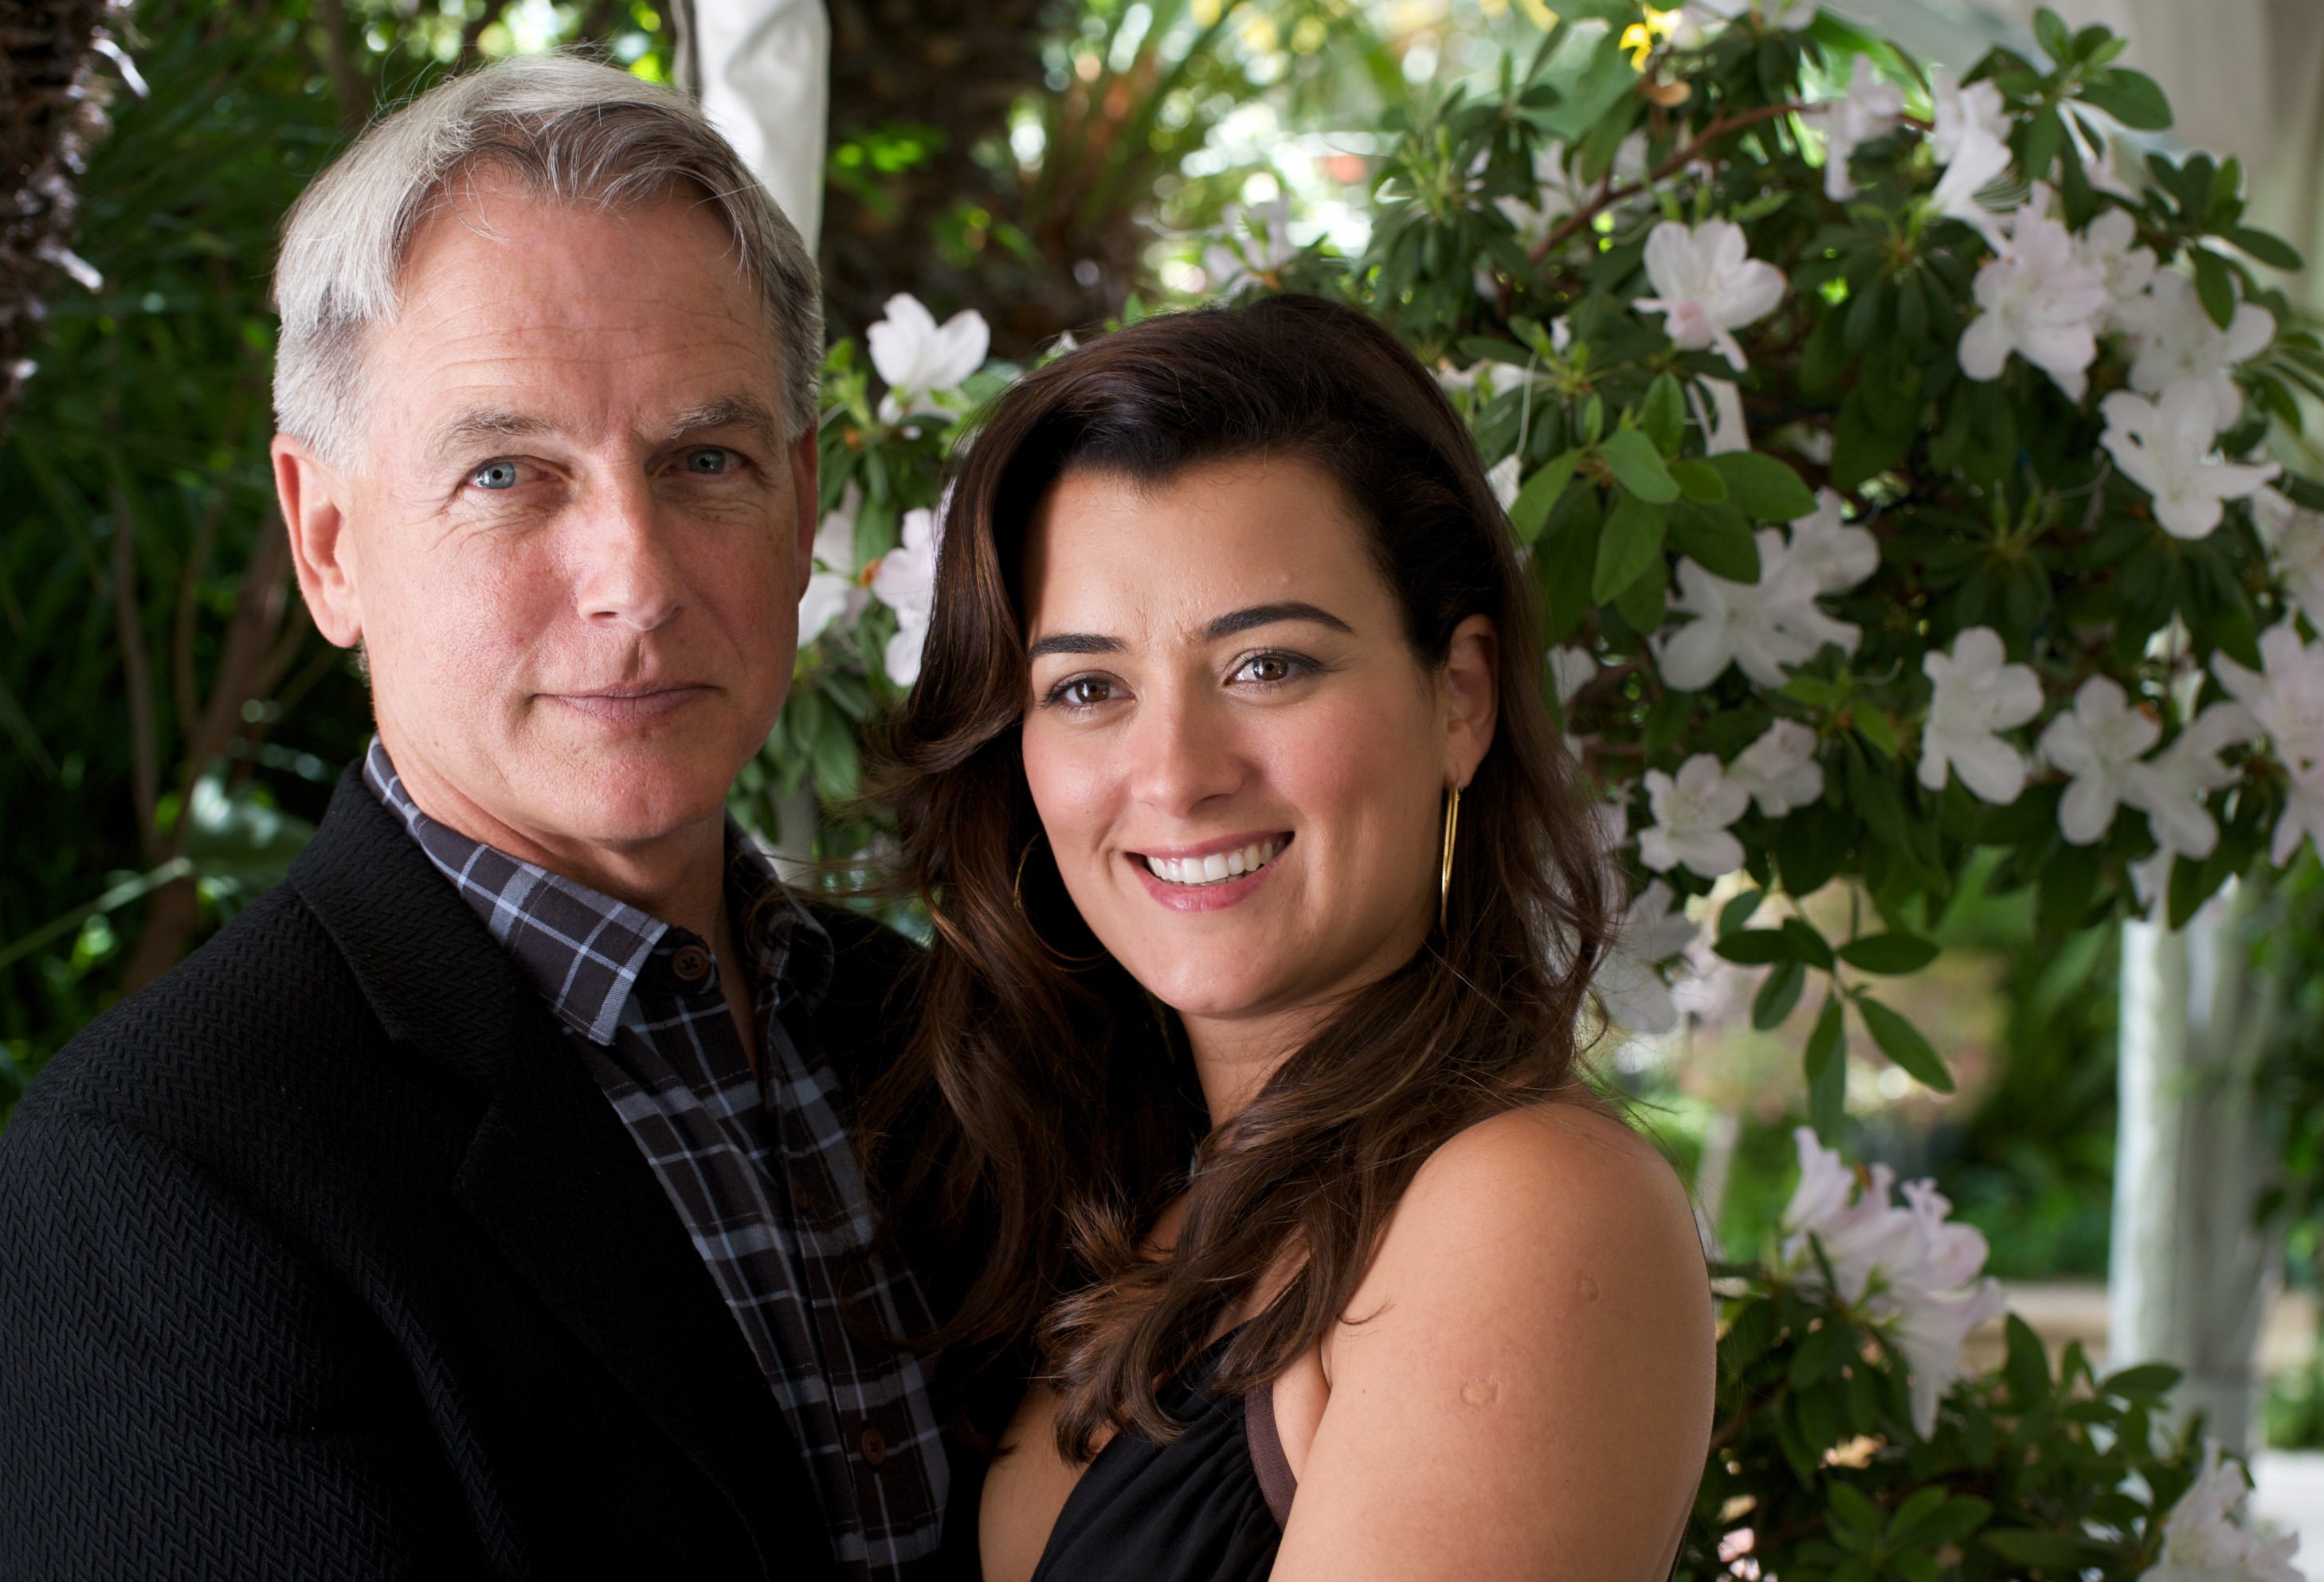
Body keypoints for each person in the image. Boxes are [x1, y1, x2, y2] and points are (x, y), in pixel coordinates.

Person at [0, 56, 978, 1580]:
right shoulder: (164, 1174)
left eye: (703, 461)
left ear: (799, 503)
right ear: (327, 545)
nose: (635, 580)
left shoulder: (944, 1039)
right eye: (509, 473)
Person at [870, 295, 1717, 1582]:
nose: (1175, 774)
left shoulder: (1529, 1207)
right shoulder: (1123, 1191)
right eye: (1089, 688)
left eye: (1267, 665)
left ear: (1461, 696)